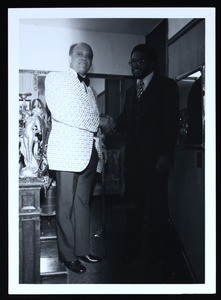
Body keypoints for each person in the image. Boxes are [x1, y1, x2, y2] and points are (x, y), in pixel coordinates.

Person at [115, 44, 180, 266]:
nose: (135, 66)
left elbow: (171, 123)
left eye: (140, 61)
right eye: (132, 62)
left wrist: (165, 154)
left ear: (152, 63)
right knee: (133, 209)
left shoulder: (167, 86)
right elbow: (125, 119)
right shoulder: (132, 91)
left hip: (156, 161)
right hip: (133, 163)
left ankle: (157, 255)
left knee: (157, 209)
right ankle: (131, 250)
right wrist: (109, 123)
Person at [45, 42, 105, 274]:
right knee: (66, 205)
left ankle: (82, 250)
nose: (85, 58)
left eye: (89, 56)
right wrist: (98, 123)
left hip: (89, 152)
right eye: (80, 54)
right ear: (69, 57)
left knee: (83, 204)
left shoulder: (90, 89)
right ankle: (67, 255)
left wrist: (100, 144)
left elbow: (92, 119)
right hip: (67, 152)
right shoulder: (55, 78)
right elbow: (63, 112)